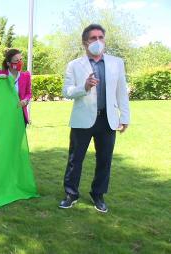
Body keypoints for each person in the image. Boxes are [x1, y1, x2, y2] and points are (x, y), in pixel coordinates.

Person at [59, 24, 130, 213]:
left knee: (105, 159)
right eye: (93, 38)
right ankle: (71, 194)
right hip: (82, 120)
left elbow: (121, 92)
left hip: (108, 120)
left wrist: (125, 117)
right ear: (85, 42)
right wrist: (85, 87)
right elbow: (66, 92)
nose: (98, 41)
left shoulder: (116, 63)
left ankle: (98, 194)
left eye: (101, 37)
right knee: (75, 159)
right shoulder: (74, 65)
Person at [0, 49, 32, 125]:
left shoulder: (26, 76)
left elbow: (28, 93)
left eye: (21, 60)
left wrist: (25, 100)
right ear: (8, 63)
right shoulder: (0, 74)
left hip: (20, 115)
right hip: (3, 115)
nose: (20, 63)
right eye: (16, 61)